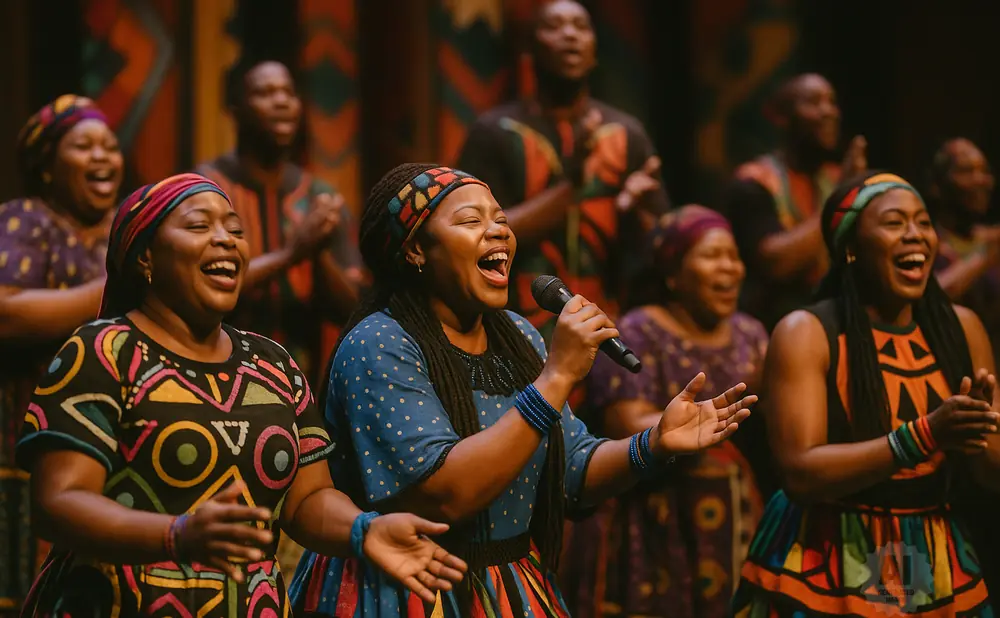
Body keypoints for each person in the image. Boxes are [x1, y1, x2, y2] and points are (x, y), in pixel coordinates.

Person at [289, 162, 756, 617]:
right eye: (471, 221)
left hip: (507, 587)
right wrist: (554, 380)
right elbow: (442, 493)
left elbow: (569, 472)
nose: (498, 232)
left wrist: (650, 445)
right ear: (414, 251)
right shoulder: (380, 342)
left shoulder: (517, 335)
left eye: (501, 220)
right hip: (403, 590)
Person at [15, 173, 466, 617]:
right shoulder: (103, 351)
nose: (226, 240)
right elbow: (58, 503)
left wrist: (363, 530)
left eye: (235, 230)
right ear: (144, 257)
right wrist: (176, 535)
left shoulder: (272, 362)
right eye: (198, 226)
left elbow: (306, 501)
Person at [731, 171, 1000, 616]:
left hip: (930, 548)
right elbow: (800, 474)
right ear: (851, 248)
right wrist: (925, 436)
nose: (915, 234)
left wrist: (978, 439)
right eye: (895, 223)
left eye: (923, 222)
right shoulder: (807, 333)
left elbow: (990, 473)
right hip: (827, 545)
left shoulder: (962, 328)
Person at [561, 206, 768, 618]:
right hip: (652, 514)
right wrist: (684, 428)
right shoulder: (638, 330)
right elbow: (623, 421)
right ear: (673, 274)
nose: (730, 267)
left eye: (733, 255)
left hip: (731, 509)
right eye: (712, 256)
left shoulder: (751, 333)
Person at [457, 0, 669, 343]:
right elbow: (480, 237)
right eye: (554, 26)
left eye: (581, 27)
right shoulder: (495, 131)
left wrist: (639, 211)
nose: (570, 35)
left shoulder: (626, 133)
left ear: (594, 51)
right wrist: (573, 182)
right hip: (514, 325)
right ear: (530, 49)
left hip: (609, 320)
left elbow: (665, 247)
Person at [0, 95, 122, 613]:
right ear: (47, 167)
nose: (103, 156)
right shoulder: (24, 220)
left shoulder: (126, 226)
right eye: (83, 146)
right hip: (22, 446)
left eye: (110, 146)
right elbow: (8, 313)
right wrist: (120, 288)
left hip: (114, 451)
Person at [196, 59, 363, 385]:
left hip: (302, 385)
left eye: (288, 92)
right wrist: (291, 255)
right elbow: (195, 291)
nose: (282, 101)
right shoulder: (205, 189)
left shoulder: (319, 196)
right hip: (215, 378)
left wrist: (317, 254)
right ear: (235, 108)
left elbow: (353, 309)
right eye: (265, 92)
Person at [725, 73, 867, 331]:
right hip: (775, 329)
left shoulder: (835, 177)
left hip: (839, 325)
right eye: (813, 102)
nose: (828, 112)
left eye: (831, 102)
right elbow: (777, 265)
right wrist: (841, 196)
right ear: (782, 117)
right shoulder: (754, 181)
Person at [929, 138, 1000, 357]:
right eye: (966, 171)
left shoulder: (991, 239)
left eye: (984, 171)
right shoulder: (928, 242)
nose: (980, 180)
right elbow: (930, 299)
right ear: (937, 186)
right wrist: (983, 257)